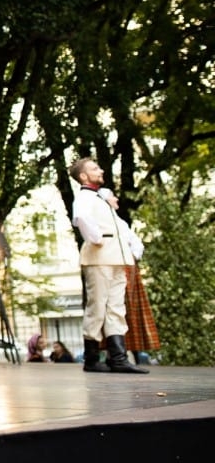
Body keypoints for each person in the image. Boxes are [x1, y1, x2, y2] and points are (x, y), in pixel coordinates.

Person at [69, 156, 148, 374]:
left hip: (116, 258)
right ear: (84, 176)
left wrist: (133, 245)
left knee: (116, 307)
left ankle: (118, 358)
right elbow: (81, 218)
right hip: (99, 258)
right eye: (95, 168)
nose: (101, 170)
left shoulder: (101, 199)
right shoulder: (85, 197)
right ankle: (92, 359)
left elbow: (120, 226)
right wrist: (96, 238)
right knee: (97, 306)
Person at [100, 188, 159, 362]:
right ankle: (116, 354)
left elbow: (137, 244)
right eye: (112, 196)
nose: (116, 199)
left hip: (128, 267)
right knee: (113, 309)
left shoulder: (120, 222)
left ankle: (127, 353)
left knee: (127, 311)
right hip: (113, 266)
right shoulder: (103, 222)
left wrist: (131, 256)